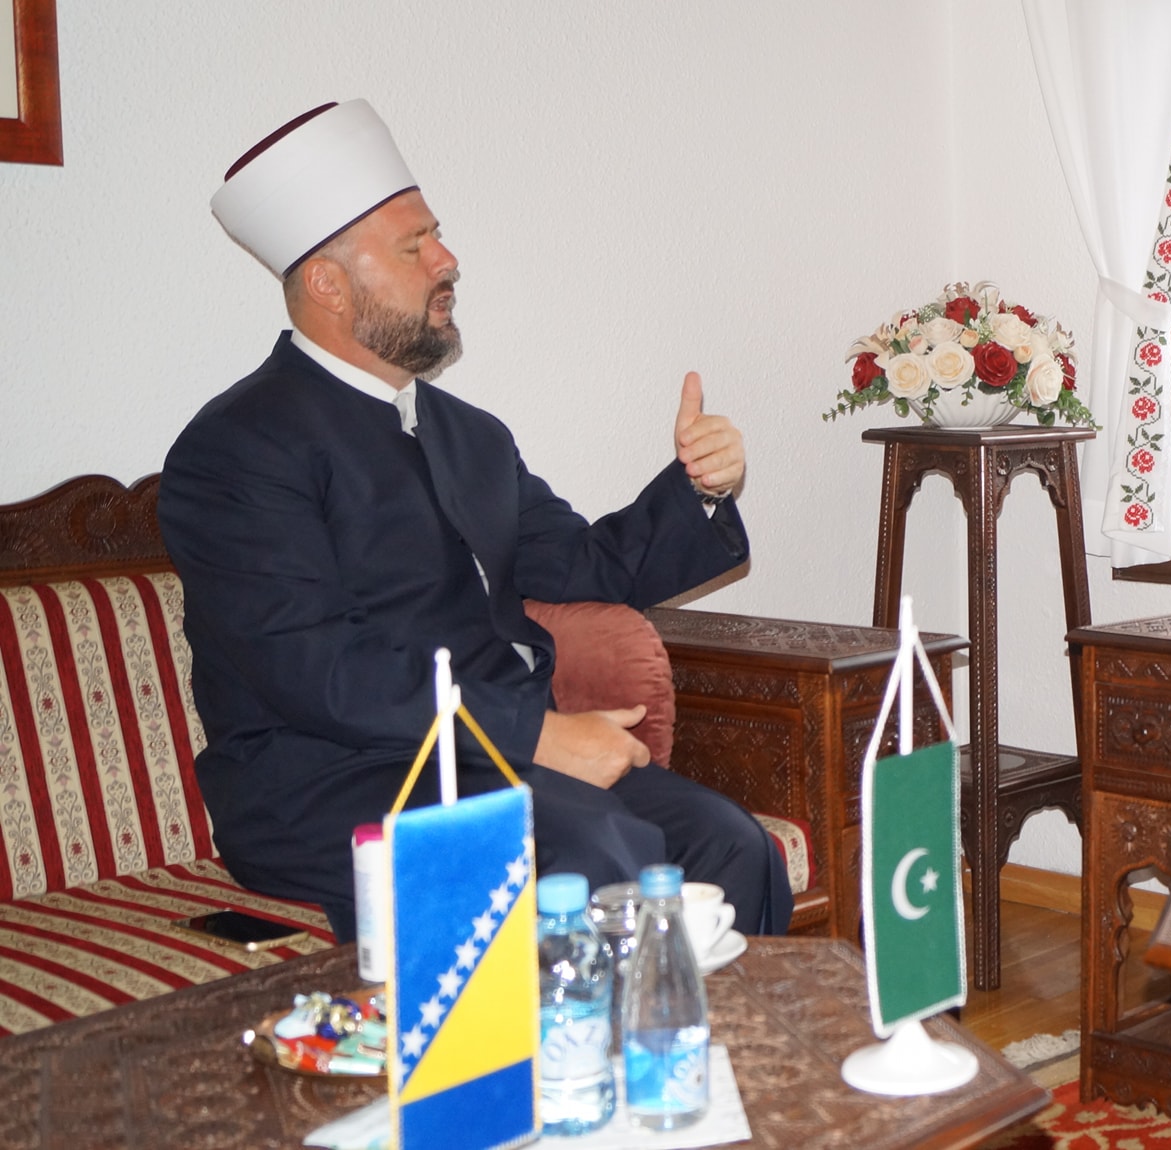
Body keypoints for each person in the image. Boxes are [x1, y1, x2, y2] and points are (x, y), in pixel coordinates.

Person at [159, 99, 791, 939]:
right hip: (327, 783)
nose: (447, 260)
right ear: (328, 285)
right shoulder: (238, 447)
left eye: (438, 237)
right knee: (598, 851)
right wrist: (536, 735)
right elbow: (317, 671)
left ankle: (703, 1032)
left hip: (491, 761)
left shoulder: (470, 435)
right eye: (414, 245)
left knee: (729, 843)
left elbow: (587, 565)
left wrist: (700, 487)